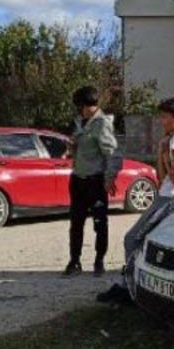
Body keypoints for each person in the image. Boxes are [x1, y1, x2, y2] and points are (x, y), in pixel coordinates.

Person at [97, 96, 174, 303]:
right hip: (169, 195)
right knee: (151, 243)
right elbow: (163, 179)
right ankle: (142, 285)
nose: (161, 120)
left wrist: (166, 156)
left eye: (164, 116)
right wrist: (162, 154)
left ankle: (130, 288)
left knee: (132, 238)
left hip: (172, 199)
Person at [63, 86, 121, 278]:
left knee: (100, 223)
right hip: (78, 179)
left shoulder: (102, 123)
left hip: (95, 181)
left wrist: (109, 179)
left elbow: (112, 154)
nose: (78, 110)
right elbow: (78, 149)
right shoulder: (81, 122)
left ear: (86, 106)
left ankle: (99, 261)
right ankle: (74, 261)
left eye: (79, 106)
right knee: (76, 223)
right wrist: (71, 147)